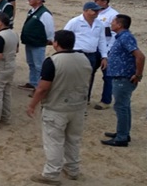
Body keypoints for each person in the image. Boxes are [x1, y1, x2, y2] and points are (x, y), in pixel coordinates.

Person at [26, 30, 93, 184]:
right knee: (73, 140)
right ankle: (72, 169)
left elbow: (42, 88)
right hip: (78, 106)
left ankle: (51, 174)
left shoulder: (53, 61)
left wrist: (32, 105)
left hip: (56, 107)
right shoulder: (83, 58)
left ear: (56, 43)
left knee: (54, 141)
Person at [102, 14, 145, 147]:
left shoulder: (125, 37)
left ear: (119, 25)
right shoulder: (122, 37)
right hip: (121, 77)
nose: (111, 24)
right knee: (123, 107)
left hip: (123, 78)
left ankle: (121, 137)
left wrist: (138, 75)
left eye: (113, 22)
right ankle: (123, 132)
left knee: (121, 107)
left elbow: (140, 56)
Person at [63, 2, 109, 102]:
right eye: (94, 10)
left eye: (97, 10)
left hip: (91, 54)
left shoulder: (99, 24)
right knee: (73, 76)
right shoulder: (74, 22)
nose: (97, 12)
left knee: (88, 77)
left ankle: (84, 99)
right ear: (85, 11)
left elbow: (102, 40)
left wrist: (104, 56)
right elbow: (64, 36)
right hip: (77, 53)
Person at [19, 0, 55, 93]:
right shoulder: (32, 11)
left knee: (39, 65)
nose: (29, 0)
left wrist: (49, 39)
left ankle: (39, 87)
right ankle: (33, 82)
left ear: (39, 0)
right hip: (30, 41)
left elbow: (49, 28)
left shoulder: (44, 14)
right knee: (31, 63)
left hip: (38, 42)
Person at [93, 0, 120, 111]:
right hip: (93, 48)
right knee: (88, 74)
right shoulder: (93, 13)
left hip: (107, 49)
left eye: (96, 0)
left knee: (108, 76)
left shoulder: (113, 15)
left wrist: (107, 52)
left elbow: (114, 35)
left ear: (104, 2)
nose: (94, 2)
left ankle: (106, 100)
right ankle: (85, 98)